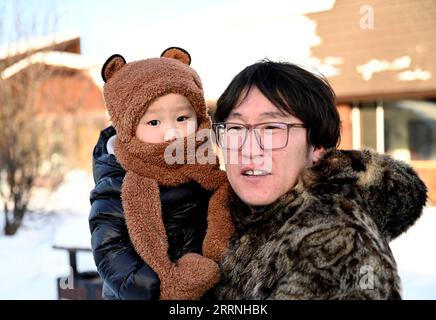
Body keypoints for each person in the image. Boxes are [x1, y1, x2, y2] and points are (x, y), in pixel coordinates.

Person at [210, 60, 427, 299]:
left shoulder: (334, 244)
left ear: (318, 147)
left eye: (271, 128)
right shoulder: (217, 219)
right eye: (236, 129)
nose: (249, 149)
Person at [89, 47, 234, 300]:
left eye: (182, 118)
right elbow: (109, 248)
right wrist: (158, 287)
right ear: (128, 128)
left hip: (204, 285)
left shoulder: (207, 171)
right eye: (154, 122)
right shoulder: (117, 183)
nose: (172, 133)